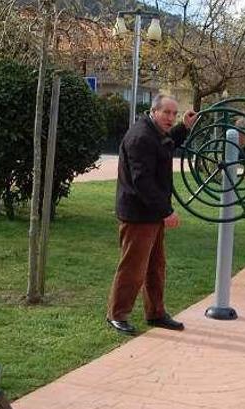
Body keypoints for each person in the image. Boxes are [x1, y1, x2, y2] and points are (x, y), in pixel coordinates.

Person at [106, 94, 197, 335]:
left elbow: (165, 144)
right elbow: (142, 181)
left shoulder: (154, 133)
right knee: (133, 267)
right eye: (166, 113)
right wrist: (166, 211)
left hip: (151, 214)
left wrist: (184, 128)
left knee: (156, 266)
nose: (170, 118)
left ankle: (156, 313)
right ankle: (117, 314)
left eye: (174, 114)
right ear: (153, 111)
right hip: (138, 215)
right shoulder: (141, 137)